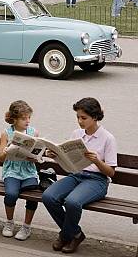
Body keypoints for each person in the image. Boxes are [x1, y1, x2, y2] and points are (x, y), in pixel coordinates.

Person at [42, 98, 117, 254]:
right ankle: (75, 234)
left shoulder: (108, 138)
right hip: (76, 175)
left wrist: (97, 160)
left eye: (84, 118)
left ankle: (65, 236)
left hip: (97, 181)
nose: (79, 121)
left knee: (72, 202)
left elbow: (111, 173)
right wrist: (55, 156)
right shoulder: (77, 134)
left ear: (95, 117)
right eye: (78, 117)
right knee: (48, 196)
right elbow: (69, 162)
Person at [0, 101, 39, 241]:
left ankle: (26, 226)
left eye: (29, 118)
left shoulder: (34, 132)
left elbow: (36, 157)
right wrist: (8, 150)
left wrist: (34, 157)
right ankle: (9, 222)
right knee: (11, 194)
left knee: (33, 195)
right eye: (23, 118)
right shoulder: (6, 133)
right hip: (12, 171)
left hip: (29, 171)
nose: (27, 121)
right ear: (14, 119)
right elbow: (0, 158)